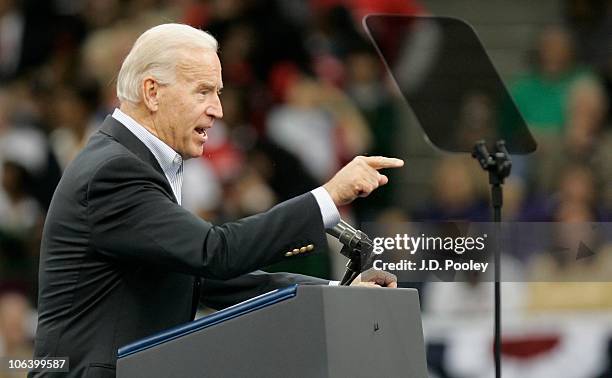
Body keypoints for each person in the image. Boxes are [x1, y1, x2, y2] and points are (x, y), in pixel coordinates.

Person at [31, 24, 403, 377]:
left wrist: (337, 296)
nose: (218, 109)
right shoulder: (114, 172)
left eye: (219, 93)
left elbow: (207, 279)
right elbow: (216, 253)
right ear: (152, 92)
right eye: (203, 91)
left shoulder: (134, 163)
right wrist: (328, 196)